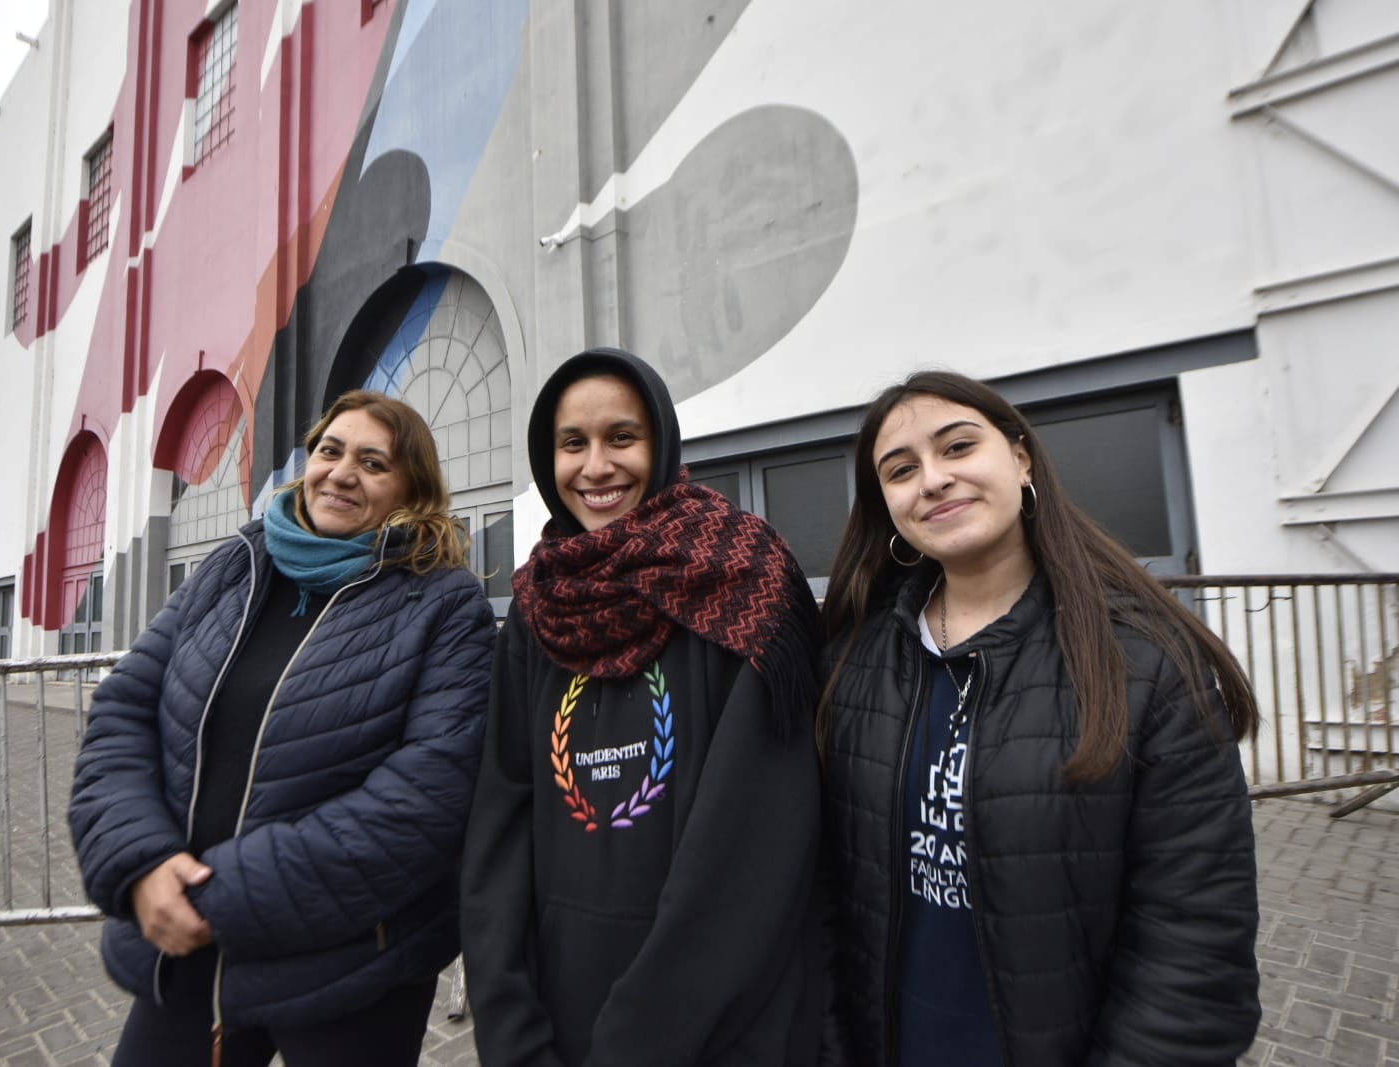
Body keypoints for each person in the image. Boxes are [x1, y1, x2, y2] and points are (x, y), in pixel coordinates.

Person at [818, 370, 1261, 1066]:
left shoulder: (1144, 662)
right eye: (900, 469)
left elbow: (1196, 938)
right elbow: (824, 898)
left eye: (957, 447)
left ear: (1020, 457)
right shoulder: (852, 657)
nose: (932, 479)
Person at [68, 390, 496, 1066]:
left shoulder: (443, 603)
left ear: (412, 489)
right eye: (330, 449)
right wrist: (140, 863)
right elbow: (124, 711)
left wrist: (218, 894)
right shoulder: (234, 566)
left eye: (373, 461)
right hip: (188, 946)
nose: (342, 471)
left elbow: (427, 797)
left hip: (349, 966)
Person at [461, 348, 827, 1066]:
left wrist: (638, 1041)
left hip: (720, 1028)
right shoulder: (539, 604)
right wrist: (511, 1030)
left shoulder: (745, 579)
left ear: (661, 444)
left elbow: (751, 853)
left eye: (621, 437)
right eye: (574, 443)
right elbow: (499, 825)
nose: (596, 467)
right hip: (557, 1025)